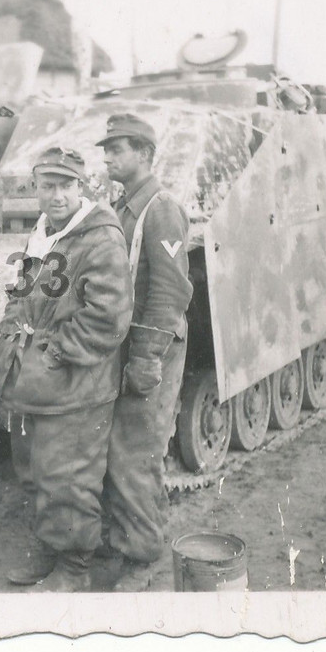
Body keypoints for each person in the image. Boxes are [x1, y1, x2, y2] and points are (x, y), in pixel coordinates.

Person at [0, 147, 133, 591]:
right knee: (35, 469)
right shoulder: (43, 233)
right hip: (34, 376)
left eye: (66, 186)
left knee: (69, 475)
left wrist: (55, 353)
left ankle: (75, 566)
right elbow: (20, 291)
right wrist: (9, 331)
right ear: (35, 187)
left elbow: (108, 316)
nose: (56, 195)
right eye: (47, 185)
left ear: (82, 187)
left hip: (76, 381)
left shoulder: (98, 238)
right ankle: (50, 547)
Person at [96, 113, 194, 589]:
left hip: (147, 343)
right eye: (107, 149)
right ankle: (127, 536)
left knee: (136, 449)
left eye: (117, 149)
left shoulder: (160, 208)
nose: (108, 156)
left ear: (145, 154)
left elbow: (171, 291)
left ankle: (143, 554)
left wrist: (147, 355)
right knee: (122, 445)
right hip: (125, 341)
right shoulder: (123, 205)